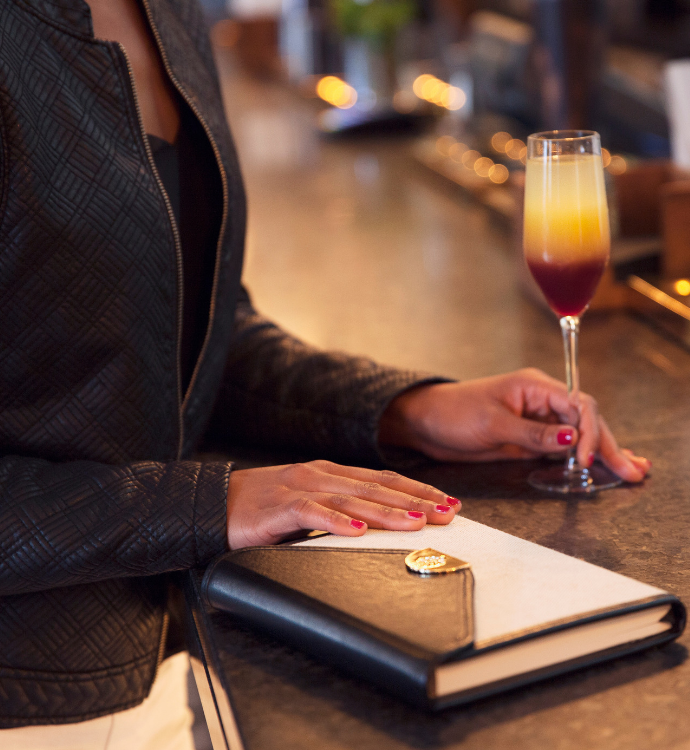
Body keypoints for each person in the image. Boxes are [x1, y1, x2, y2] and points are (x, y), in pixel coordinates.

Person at [0, 0, 650, 744]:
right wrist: (209, 503)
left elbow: (197, 334)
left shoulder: (167, 12)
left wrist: (408, 408)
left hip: (155, 652)